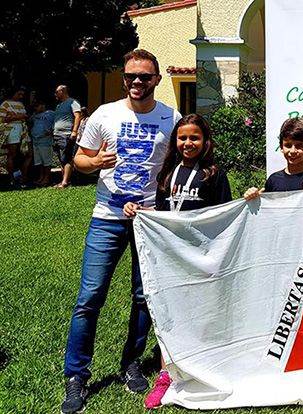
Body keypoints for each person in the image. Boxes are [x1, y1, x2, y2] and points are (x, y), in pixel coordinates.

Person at [61, 49, 182, 414]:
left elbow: (181, 163)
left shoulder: (171, 118)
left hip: (149, 221)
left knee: (144, 297)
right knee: (89, 297)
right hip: (107, 216)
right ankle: (76, 376)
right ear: (124, 78)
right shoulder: (105, 114)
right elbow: (79, 159)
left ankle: (132, 363)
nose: (137, 82)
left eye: (144, 76)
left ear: (156, 79)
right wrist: (95, 162)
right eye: (131, 76)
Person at [123, 113, 232, 409]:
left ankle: (208, 364)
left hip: (202, 256)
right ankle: (166, 373)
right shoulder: (168, 173)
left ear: (205, 141)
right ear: (175, 141)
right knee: (170, 312)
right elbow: (163, 211)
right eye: (182, 138)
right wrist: (138, 210)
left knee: (203, 312)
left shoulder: (214, 174)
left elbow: (225, 215)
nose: (188, 143)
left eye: (194, 137)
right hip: (172, 256)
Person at [244, 117, 303, 200]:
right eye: (288, 145)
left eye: (299, 146)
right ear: (281, 147)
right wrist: (253, 197)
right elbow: (266, 208)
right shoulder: (273, 180)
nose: (293, 151)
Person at [53, 84, 82, 188]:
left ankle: (65, 182)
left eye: (57, 92)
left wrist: (74, 131)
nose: (55, 94)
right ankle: (63, 180)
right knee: (61, 158)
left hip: (66, 134)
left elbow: (78, 116)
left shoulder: (72, 102)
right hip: (57, 135)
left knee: (67, 157)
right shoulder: (59, 105)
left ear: (63, 91)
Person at [0, 86, 29, 187]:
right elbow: (2, 119)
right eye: (19, 94)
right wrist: (18, 117)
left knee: (21, 153)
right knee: (12, 154)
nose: (21, 96)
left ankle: (20, 176)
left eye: (22, 95)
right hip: (11, 130)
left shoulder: (20, 104)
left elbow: (25, 116)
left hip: (22, 130)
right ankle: (11, 178)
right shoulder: (5, 104)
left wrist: (15, 117)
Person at [29, 100, 55, 186]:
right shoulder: (34, 115)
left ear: (43, 105)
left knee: (46, 161)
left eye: (37, 106)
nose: (36, 108)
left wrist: (51, 131)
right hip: (36, 141)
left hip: (45, 141)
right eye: (35, 107)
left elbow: (56, 122)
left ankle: (46, 178)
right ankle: (41, 177)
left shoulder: (50, 113)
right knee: (39, 161)